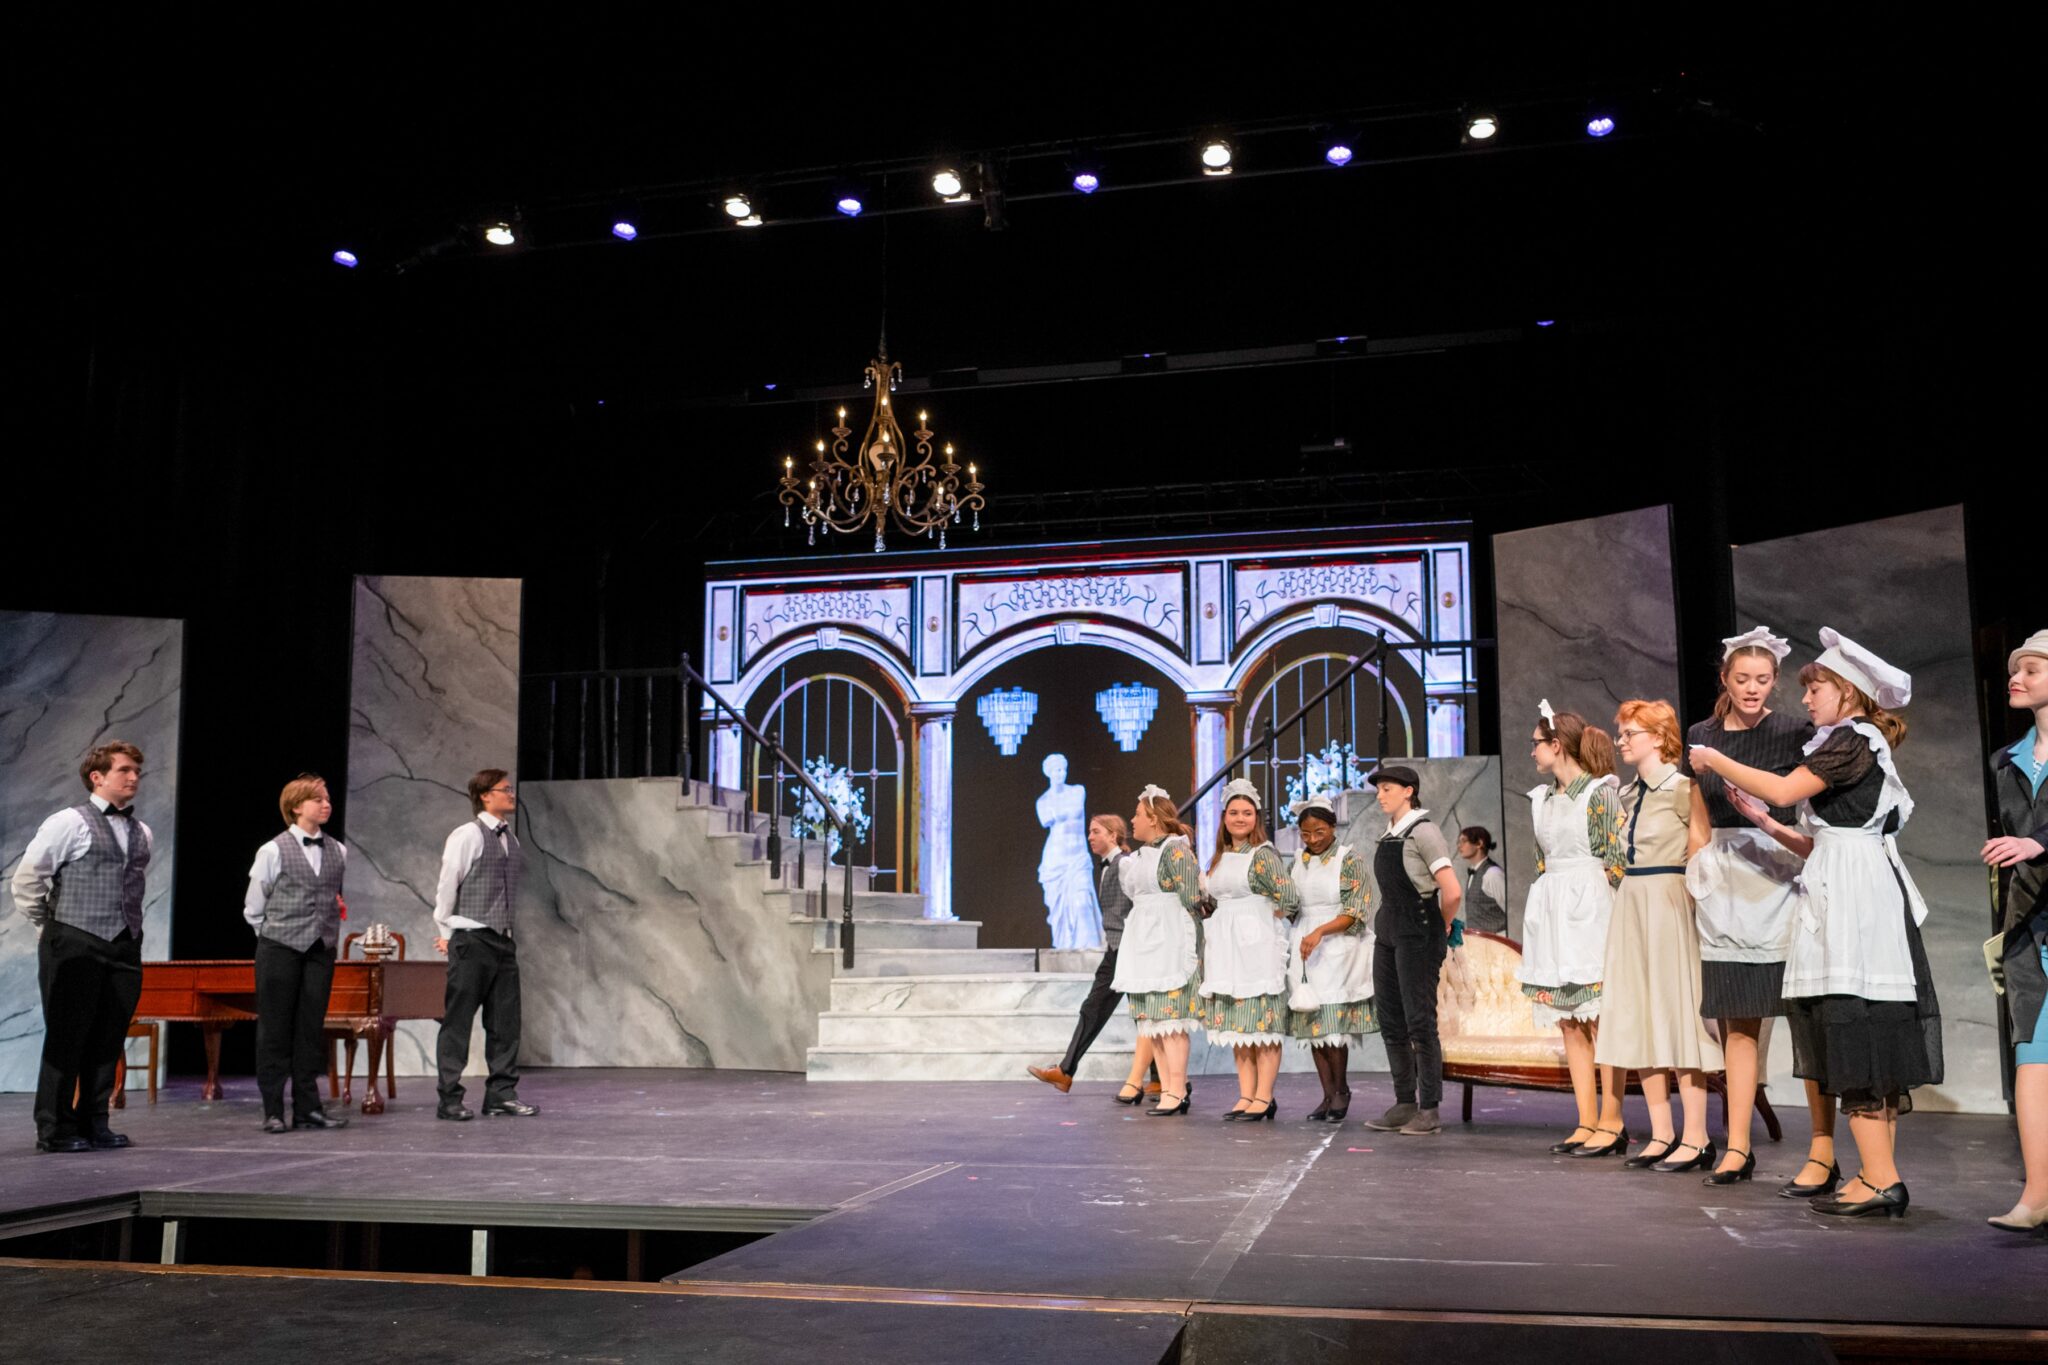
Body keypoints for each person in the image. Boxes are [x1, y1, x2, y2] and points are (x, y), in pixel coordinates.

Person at [1692, 629, 1940, 1218]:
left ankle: (1879, 1179)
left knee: (1859, 1025)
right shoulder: (1848, 740)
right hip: (1840, 882)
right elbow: (1821, 840)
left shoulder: (1854, 739)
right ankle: (1873, 1174)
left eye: (1817, 687)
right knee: (1850, 1026)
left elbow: (1782, 786)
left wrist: (1714, 759)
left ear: (1847, 692)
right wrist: (1769, 825)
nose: (1807, 700)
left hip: (1859, 900)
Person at [1681, 627, 1829, 1189]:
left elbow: (1806, 803)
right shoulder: (1701, 735)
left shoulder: (1796, 731)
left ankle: (1820, 1149)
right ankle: (1737, 1146)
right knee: (1736, 1022)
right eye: (1742, 679)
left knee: (1802, 1018)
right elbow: (1699, 808)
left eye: (1763, 680)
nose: (1752, 689)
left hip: (1783, 873)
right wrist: (1698, 868)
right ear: (1725, 679)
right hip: (1726, 883)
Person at [1596, 700, 1723, 1173]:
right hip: (1632, 899)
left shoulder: (1682, 788)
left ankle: (1697, 1135)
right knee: (1638, 1013)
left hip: (1668, 897)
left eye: (1630, 733)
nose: (1622, 741)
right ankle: (1661, 1132)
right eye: (1622, 733)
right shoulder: (1629, 794)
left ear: (1657, 736)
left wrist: (1686, 902)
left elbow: (1702, 849)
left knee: (1676, 1013)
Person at [11, 742, 152, 1154]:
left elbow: (128, 886)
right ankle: (54, 1127)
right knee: (67, 1037)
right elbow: (27, 881)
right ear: (98, 776)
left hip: (124, 946)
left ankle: (95, 1121)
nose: (133, 778)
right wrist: (51, 926)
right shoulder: (67, 822)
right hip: (74, 941)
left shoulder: (142, 831)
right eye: (125, 770)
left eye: (137, 772)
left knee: (108, 1038)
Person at [1515, 703, 1629, 1157]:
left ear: (1556, 745)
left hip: (1592, 906)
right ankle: (1586, 1120)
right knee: (1570, 1021)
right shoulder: (1541, 800)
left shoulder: (1599, 793)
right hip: (1554, 908)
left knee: (1600, 1018)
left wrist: (1606, 907)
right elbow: (1542, 860)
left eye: (1536, 744)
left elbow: (1615, 861)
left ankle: (1612, 1120)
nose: (1532, 753)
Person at [1163, 778, 1297, 1121]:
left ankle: (1264, 1096)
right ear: (1224, 817)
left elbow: (1290, 898)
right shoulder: (1220, 857)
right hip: (1225, 947)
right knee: (1239, 1024)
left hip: (1256, 945)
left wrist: (1262, 917)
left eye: (1247, 813)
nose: (1240, 818)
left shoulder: (1262, 855)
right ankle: (1246, 1094)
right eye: (1234, 812)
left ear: (1257, 817)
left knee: (1262, 1024)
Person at [242, 774, 350, 1133]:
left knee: (309, 1030)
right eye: (317, 798)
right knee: (274, 1029)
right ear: (296, 806)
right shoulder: (273, 850)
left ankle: (308, 1109)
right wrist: (277, 936)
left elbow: (328, 896)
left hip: (320, 950)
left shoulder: (338, 850)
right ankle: (273, 1110)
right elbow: (254, 907)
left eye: (327, 797)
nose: (326, 803)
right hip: (280, 948)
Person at [1984, 628, 2048, 1232]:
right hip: (2030, 926)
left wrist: (2038, 843)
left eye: (2031, 669)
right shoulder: (2005, 761)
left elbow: (2034, 839)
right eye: (2015, 669)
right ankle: (2037, 1194)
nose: (2017, 677)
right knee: (2032, 1056)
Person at [1027, 813, 1162, 1098]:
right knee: (1138, 1012)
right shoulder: (1107, 867)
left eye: (1095, 831)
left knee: (1102, 1008)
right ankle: (1159, 1077)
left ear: (1113, 835)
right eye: (1089, 832)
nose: (1090, 837)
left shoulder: (1125, 864)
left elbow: (1142, 901)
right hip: (1117, 947)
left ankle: (1066, 1071)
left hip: (1126, 948)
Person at [1361, 765, 1463, 1136]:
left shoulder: (1424, 831)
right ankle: (1404, 1103)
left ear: (1408, 791)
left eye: (1387, 788)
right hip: (1389, 927)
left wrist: (1444, 923)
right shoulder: (1389, 834)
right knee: (1391, 1020)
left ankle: (1429, 1108)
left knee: (1420, 1022)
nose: (1380, 795)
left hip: (1417, 929)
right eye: (1379, 789)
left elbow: (1451, 891)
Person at [432, 768, 537, 1121]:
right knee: (458, 1021)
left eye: (510, 788)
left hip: (503, 941)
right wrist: (447, 935)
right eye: (504, 789)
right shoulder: (467, 835)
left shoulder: (511, 839)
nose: (511, 794)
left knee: (505, 1022)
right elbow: (448, 886)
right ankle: (449, 1098)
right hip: (472, 938)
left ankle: (500, 1094)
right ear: (485, 795)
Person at [1286, 796, 1376, 1122]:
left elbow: (1356, 911)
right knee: (1313, 1024)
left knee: (1333, 1025)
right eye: (1306, 834)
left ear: (1332, 827)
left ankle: (1342, 1091)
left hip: (1336, 945)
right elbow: (1291, 903)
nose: (1312, 839)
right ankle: (1326, 1095)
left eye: (1319, 832)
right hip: (1305, 944)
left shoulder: (1348, 860)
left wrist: (1320, 931)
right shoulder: (1298, 861)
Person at [1118, 786, 1206, 1117]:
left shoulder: (1176, 852)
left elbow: (1193, 898)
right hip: (1144, 941)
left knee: (1172, 1021)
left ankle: (1178, 1088)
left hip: (1170, 939)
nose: (1132, 820)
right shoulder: (1140, 857)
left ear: (1153, 820)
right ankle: (1167, 1087)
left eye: (1138, 814)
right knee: (1153, 1023)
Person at [1037, 754, 1103, 950]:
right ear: (1048, 773)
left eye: (1063, 769)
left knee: (1083, 903)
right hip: (1055, 858)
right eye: (1056, 770)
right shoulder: (1042, 801)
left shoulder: (1077, 791)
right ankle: (1066, 947)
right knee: (1061, 911)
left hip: (1077, 857)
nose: (1060, 774)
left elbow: (1072, 811)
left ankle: (1089, 952)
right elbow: (1045, 819)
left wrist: (1058, 812)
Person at [1455, 827, 1508, 935]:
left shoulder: (1493, 873)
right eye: (1459, 842)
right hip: (1480, 944)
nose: (1459, 846)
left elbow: (1511, 910)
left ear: (1479, 843)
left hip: (1497, 941)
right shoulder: (1474, 873)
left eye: (1464, 841)